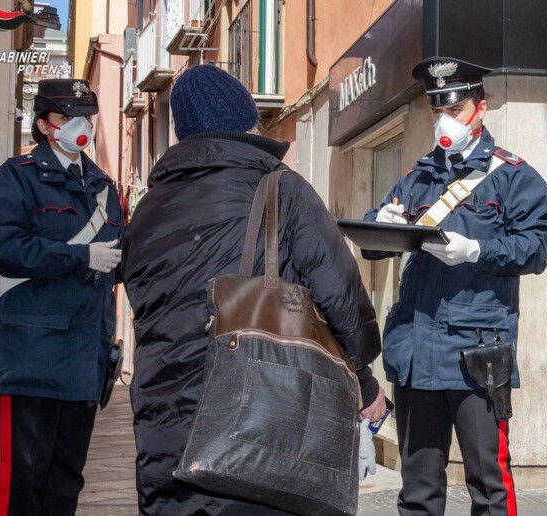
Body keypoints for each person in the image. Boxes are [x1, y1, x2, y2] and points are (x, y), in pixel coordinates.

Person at [121, 64, 387, 515]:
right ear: (246, 122)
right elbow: (340, 296)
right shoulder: (281, 189)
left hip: (164, 430)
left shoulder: (148, 209)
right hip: (258, 425)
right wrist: (364, 380)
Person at [363, 56, 547, 515]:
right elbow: (372, 243)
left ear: (480, 107)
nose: (445, 118)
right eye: (437, 109)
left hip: (476, 354)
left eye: (456, 106)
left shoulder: (514, 177)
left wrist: (477, 251)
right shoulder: (419, 177)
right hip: (416, 353)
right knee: (418, 491)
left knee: (489, 485)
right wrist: (381, 221)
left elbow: (537, 248)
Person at [0, 79, 124, 515]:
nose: (81, 125)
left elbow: (120, 257)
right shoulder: (16, 177)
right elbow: (6, 250)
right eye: (67, 117)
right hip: (32, 357)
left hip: (84, 358)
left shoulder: (104, 187)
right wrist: (79, 255)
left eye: (86, 117)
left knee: (66, 482)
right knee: (21, 483)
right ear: (45, 125)